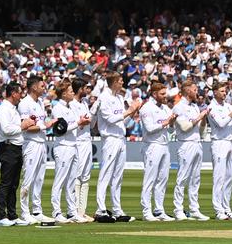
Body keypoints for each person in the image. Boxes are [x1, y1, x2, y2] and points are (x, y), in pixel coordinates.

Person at [94, 71, 143, 222]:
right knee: (106, 174)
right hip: (110, 139)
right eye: (120, 81)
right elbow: (109, 119)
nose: (122, 83)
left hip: (121, 138)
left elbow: (123, 122)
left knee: (118, 176)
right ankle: (101, 209)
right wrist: (129, 111)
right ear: (113, 82)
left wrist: (133, 112)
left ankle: (117, 209)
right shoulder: (104, 98)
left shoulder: (120, 98)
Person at [17, 76, 55, 225]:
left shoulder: (39, 102)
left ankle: (37, 211)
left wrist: (45, 125)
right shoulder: (24, 104)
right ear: (33, 87)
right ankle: (24, 212)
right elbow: (26, 127)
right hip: (30, 144)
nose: (44, 88)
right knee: (28, 178)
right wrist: (46, 126)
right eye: (41, 86)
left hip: (41, 143)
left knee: (39, 179)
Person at [172, 80, 210, 221]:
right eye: (194, 89)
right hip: (185, 144)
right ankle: (178, 209)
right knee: (182, 178)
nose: (197, 92)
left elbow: (201, 131)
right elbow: (185, 127)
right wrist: (199, 116)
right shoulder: (179, 107)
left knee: (196, 179)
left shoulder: (194, 107)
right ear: (188, 91)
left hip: (196, 143)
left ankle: (194, 209)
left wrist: (204, 119)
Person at [50, 80, 87, 223]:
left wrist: (80, 123)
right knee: (60, 180)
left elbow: (73, 126)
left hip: (73, 145)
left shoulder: (70, 107)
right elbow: (61, 129)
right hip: (63, 146)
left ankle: (72, 212)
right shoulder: (57, 108)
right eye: (70, 90)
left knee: (72, 181)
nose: (73, 92)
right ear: (64, 93)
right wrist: (78, 123)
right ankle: (56, 211)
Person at [139, 81, 176, 222]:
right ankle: (146, 211)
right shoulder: (146, 108)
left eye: (165, 93)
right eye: (162, 94)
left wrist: (171, 123)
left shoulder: (166, 108)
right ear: (154, 94)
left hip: (164, 145)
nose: (165, 96)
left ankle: (159, 210)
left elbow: (171, 130)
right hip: (152, 145)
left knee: (163, 179)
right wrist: (166, 122)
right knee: (150, 179)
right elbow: (149, 129)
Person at [207, 80, 232, 220]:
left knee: (229, 177)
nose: (225, 93)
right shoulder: (211, 107)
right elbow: (221, 123)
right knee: (219, 178)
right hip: (218, 143)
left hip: (230, 141)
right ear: (215, 92)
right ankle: (218, 210)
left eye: (226, 91)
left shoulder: (227, 106)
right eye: (222, 91)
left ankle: (226, 208)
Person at [0, 82, 24, 227]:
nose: (21, 96)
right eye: (20, 92)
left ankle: (12, 215)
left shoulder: (13, 109)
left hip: (17, 147)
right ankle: (2, 216)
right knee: (6, 183)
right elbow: (6, 130)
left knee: (14, 184)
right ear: (13, 93)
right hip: (8, 147)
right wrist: (23, 126)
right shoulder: (3, 109)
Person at [69, 78, 96, 223]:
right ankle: (73, 211)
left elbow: (90, 124)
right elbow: (75, 125)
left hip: (87, 141)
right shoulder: (71, 105)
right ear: (80, 89)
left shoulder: (84, 103)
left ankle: (81, 211)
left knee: (85, 176)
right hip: (78, 142)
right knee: (77, 176)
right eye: (86, 88)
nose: (88, 90)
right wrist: (82, 123)